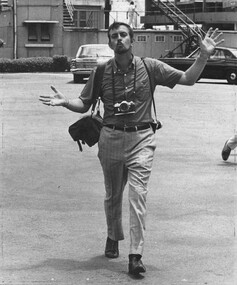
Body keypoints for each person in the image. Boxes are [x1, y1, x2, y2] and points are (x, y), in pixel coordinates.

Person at [39, 22, 223, 276]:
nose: (119, 39)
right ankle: (113, 236)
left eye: (123, 35)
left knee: (138, 195)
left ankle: (135, 255)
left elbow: (187, 79)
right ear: (109, 43)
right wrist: (65, 102)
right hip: (111, 138)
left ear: (132, 39)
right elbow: (84, 103)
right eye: (113, 36)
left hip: (142, 139)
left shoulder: (151, 67)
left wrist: (203, 55)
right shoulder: (102, 71)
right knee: (113, 194)